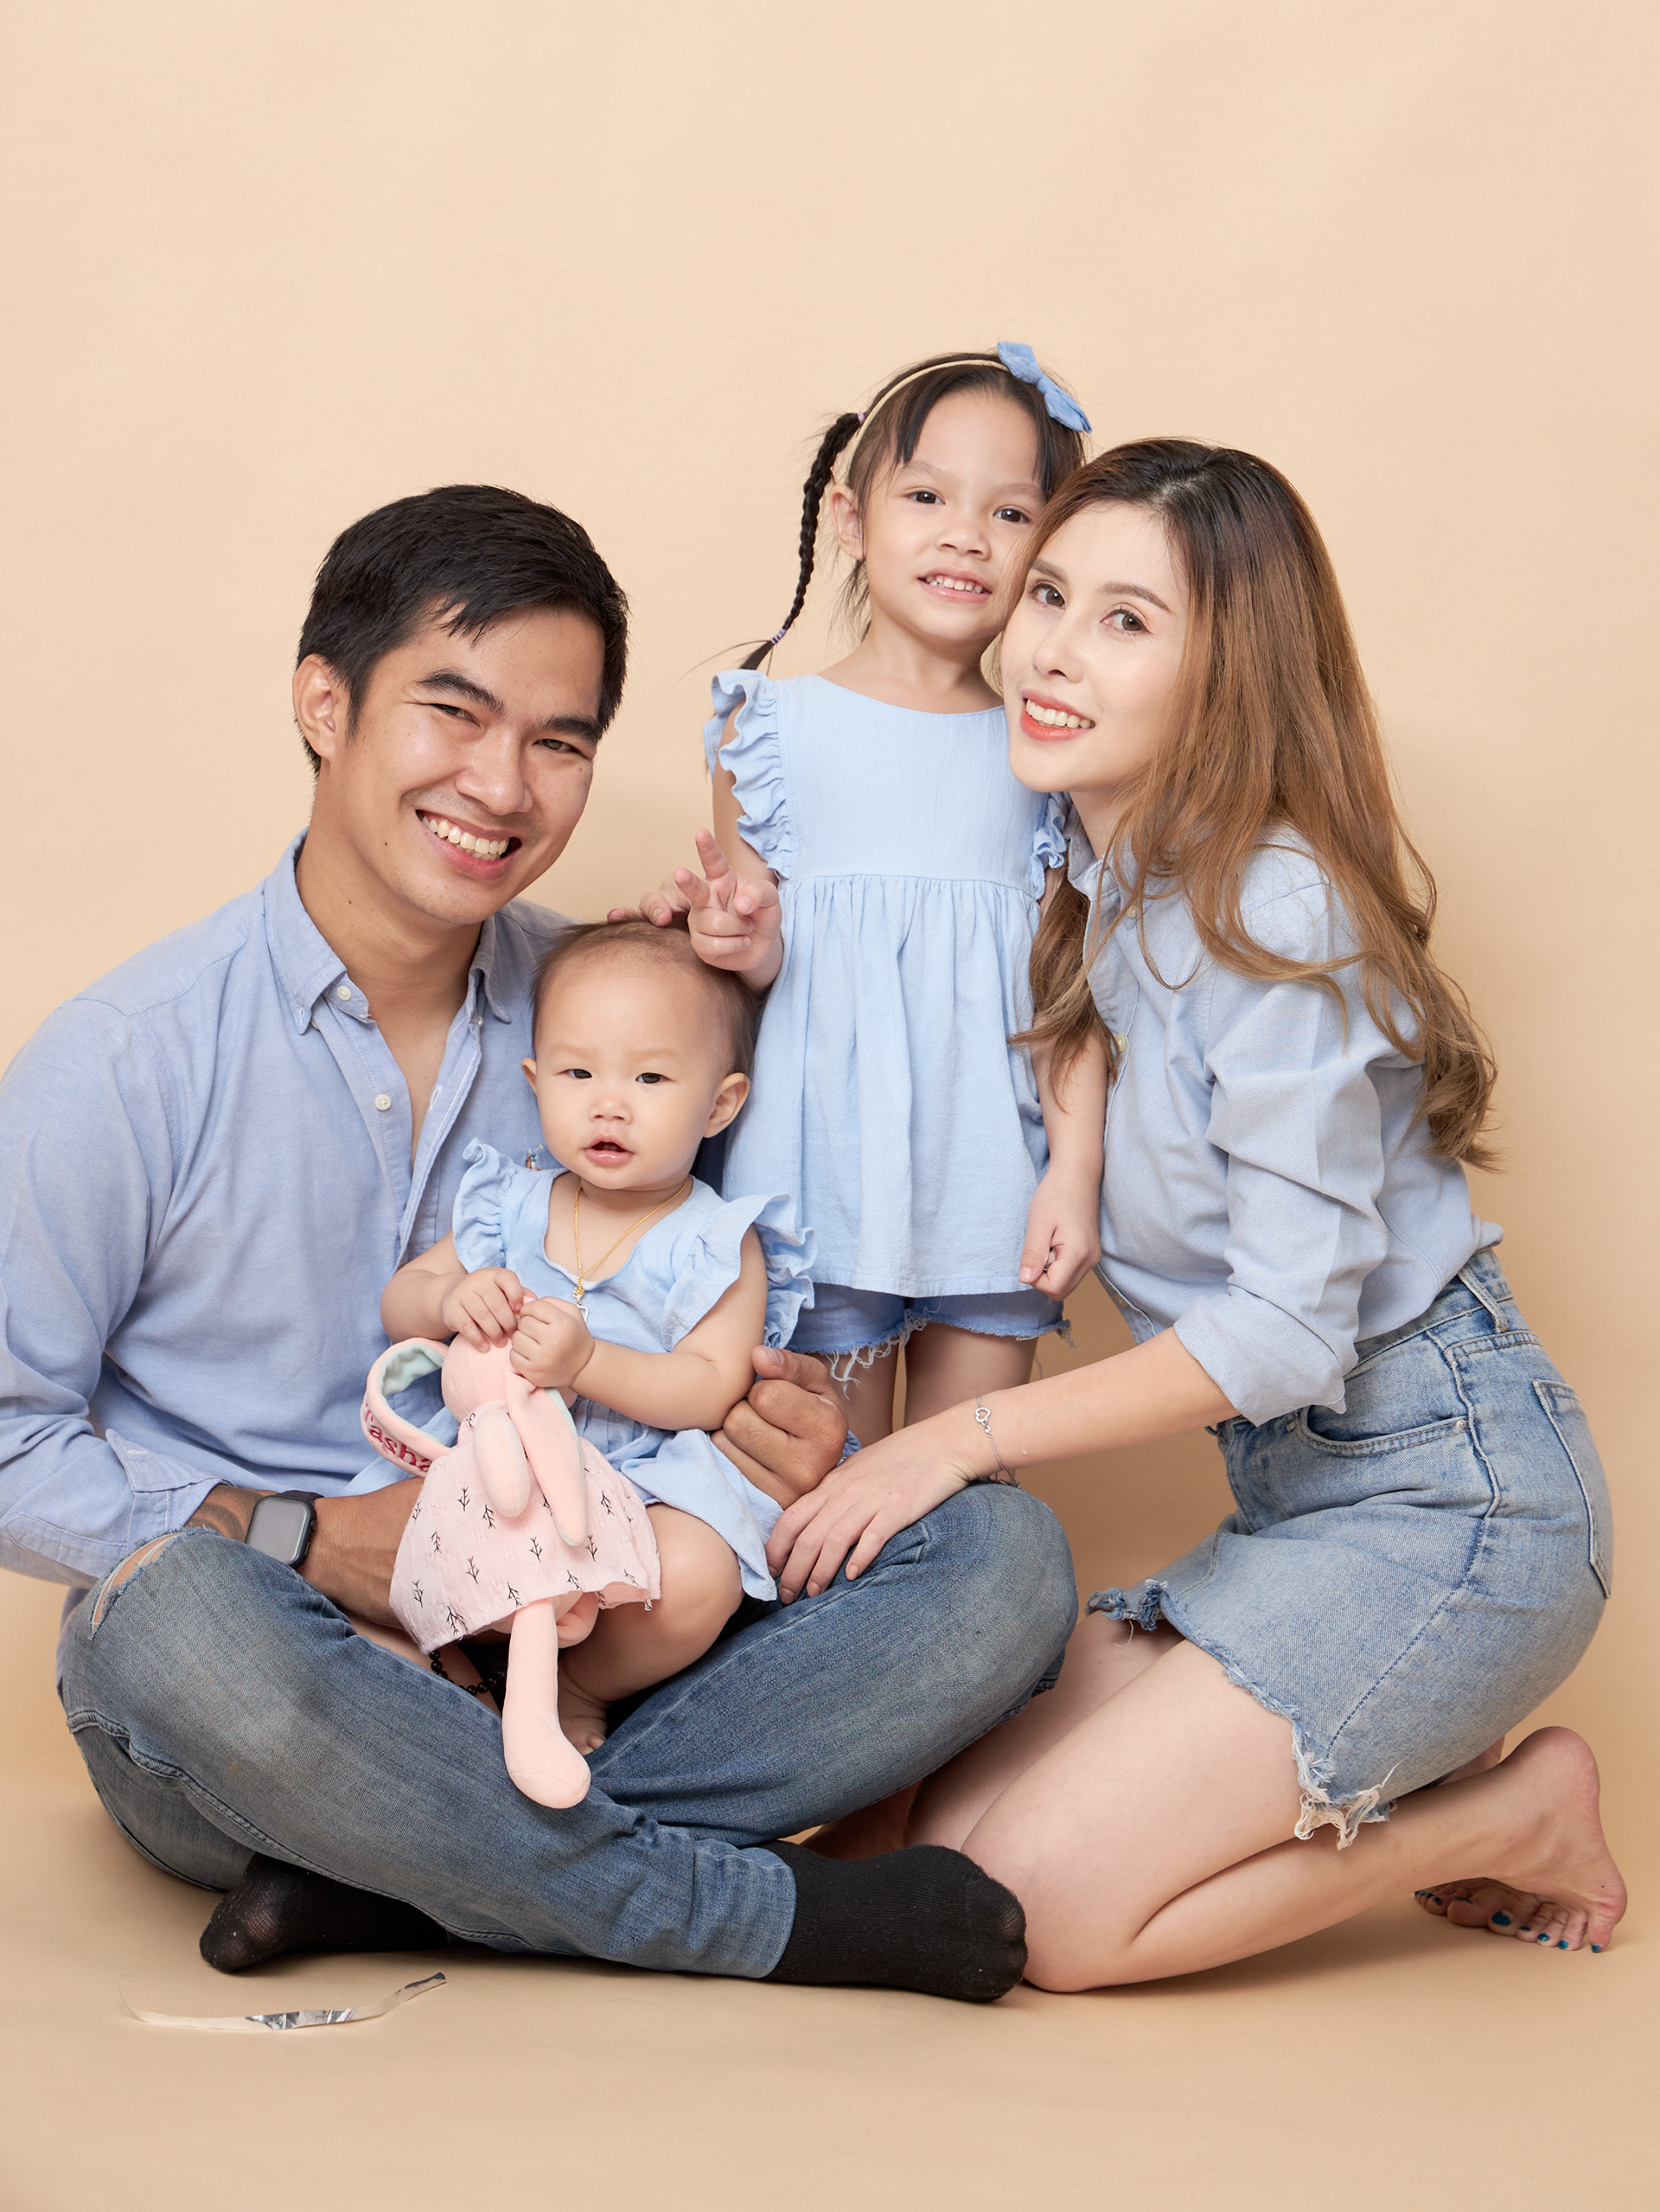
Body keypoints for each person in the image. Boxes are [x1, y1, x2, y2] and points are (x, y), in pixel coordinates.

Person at [0, 484, 1076, 2002]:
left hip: (597, 1629)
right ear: (324, 704)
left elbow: (727, 1308)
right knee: (169, 1625)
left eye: (559, 742)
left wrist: (786, 1432)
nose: (502, 785)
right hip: (284, 1654)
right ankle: (746, 1916)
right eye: (454, 712)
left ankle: (401, 1865)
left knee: (999, 1560)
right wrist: (303, 1538)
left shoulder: (627, 1018)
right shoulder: (125, 1060)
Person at [765, 440, 1626, 1979]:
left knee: (1044, 1917)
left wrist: (951, 1442)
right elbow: (1068, 1006)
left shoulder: (1273, 907)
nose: (1049, 650)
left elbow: (1288, 1336)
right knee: (932, 1835)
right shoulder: (1110, 879)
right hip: (1297, 1510)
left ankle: (1515, 1815)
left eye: (1126, 622)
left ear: (1230, 674)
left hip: (1457, 1503)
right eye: (1048, 596)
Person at [659, 348, 1107, 1447]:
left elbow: (1066, 991)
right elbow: (754, 965)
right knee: (828, 1491)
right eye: (927, 497)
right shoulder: (770, 728)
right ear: (851, 518)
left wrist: (1075, 1172)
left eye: (1011, 513)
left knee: (967, 1499)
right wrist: (737, 939)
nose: (967, 536)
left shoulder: (1050, 747)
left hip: (989, 1183)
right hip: (819, 1176)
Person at [381, 914, 815, 1758]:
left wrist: (590, 1362)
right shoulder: (510, 1203)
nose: (608, 1102)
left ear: (720, 1103)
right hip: (500, 1459)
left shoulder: (716, 1242)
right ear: (536, 1081)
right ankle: (469, 1668)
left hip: (643, 1475)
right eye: (578, 1072)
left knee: (698, 1577)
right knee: (403, 1548)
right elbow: (401, 1300)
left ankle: (580, 1684)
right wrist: (453, 1297)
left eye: (650, 1077)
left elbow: (710, 1386)